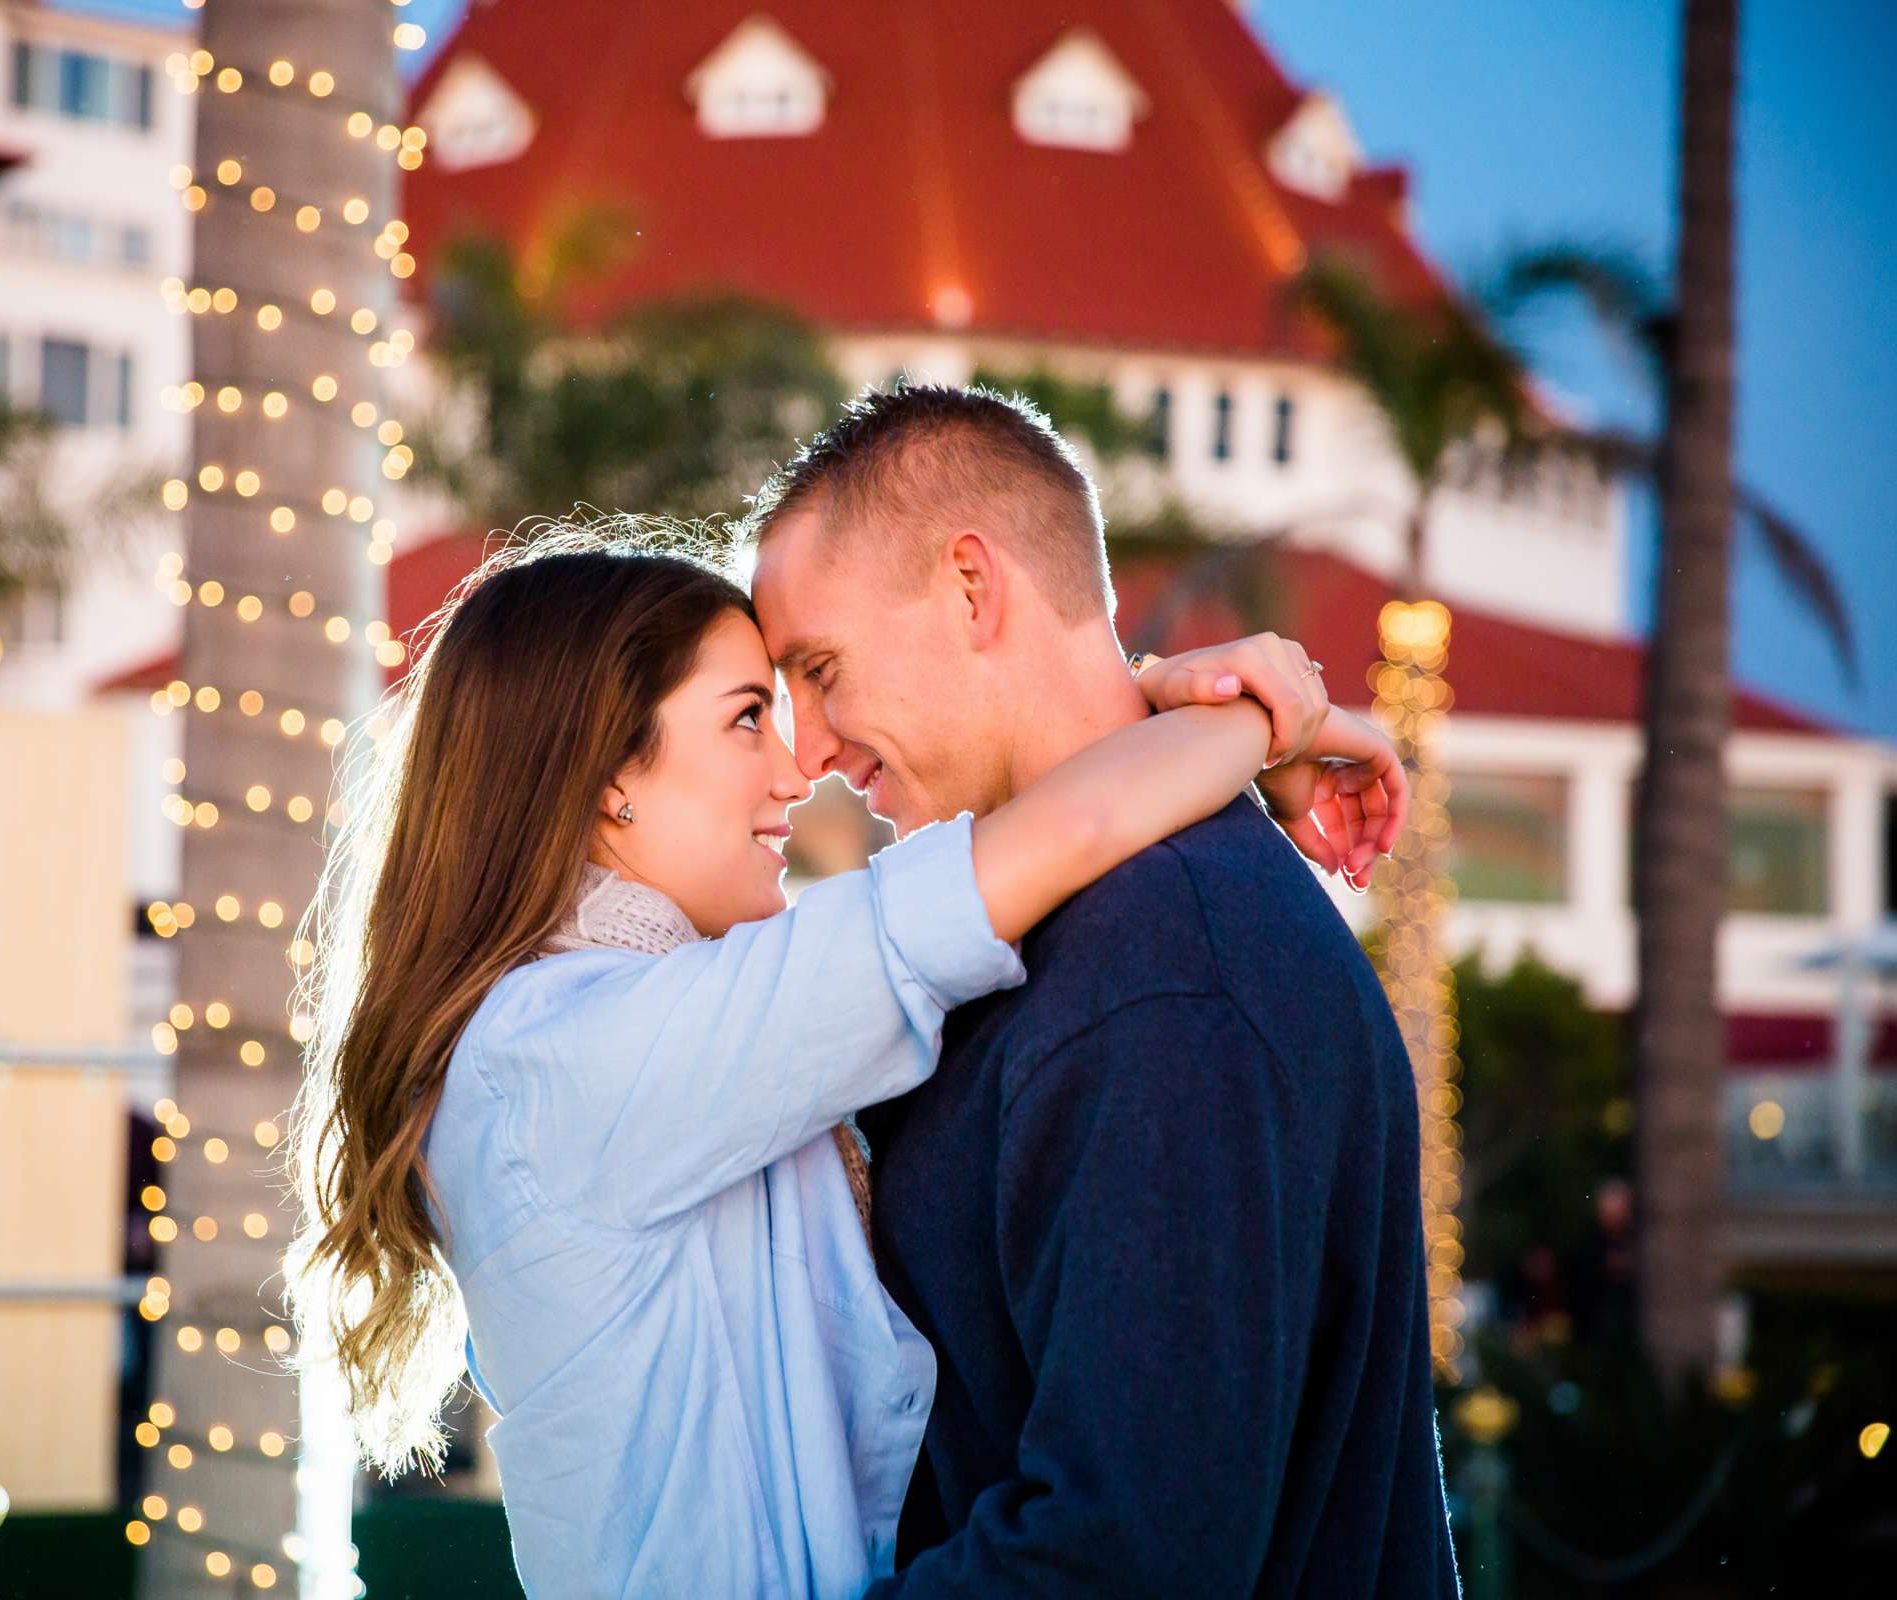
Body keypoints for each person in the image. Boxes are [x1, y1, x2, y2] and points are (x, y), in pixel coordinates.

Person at [280, 520, 1405, 1598]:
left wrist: (1152, 699)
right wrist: (1255, 720)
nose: (796, 770)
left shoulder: (638, 1025)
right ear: (606, 777)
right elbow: (1049, 841)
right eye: (746, 718)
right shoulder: (571, 1056)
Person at [746, 384, 1461, 1596]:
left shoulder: (1164, 975)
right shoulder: (1071, 930)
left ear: (974, 587)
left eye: (820, 669)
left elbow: (1126, 1554)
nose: (806, 750)